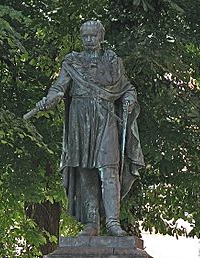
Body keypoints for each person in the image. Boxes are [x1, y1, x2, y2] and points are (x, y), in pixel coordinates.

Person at [35, 20, 144, 236]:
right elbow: (59, 87)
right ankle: (91, 222)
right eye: (85, 36)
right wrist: (50, 99)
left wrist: (129, 99)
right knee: (86, 171)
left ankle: (113, 222)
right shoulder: (72, 62)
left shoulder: (112, 61)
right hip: (80, 119)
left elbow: (127, 88)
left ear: (101, 37)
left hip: (105, 119)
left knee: (109, 168)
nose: (89, 40)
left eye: (93, 36)